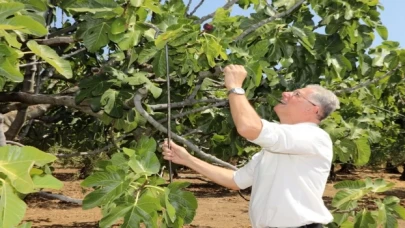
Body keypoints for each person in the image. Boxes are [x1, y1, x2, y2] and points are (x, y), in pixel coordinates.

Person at [161, 64, 340, 228]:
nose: (286, 93)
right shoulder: (276, 146)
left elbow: (249, 127)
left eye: (297, 94)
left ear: (314, 109)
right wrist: (187, 159)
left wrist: (235, 87)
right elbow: (236, 180)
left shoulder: (314, 136)